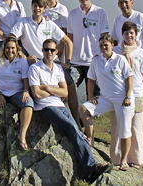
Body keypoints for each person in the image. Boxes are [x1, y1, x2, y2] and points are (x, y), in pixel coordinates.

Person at [29, 39, 113, 183]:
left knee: (76, 130)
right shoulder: (35, 68)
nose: (49, 52)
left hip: (60, 106)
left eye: (52, 50)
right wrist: (56, 90)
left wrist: (48, 88)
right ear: (42, 51)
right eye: (46, 49)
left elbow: (65, 92)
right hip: (45, 107)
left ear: (56, 52)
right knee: (72, 128)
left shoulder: (58, 69)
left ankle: (91, 168)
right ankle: (92, 168)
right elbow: (37, 94)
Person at [11, 0, 78, 126]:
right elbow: (12, 37)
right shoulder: (24, 22)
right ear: (32, 7)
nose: (37, 9)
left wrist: (68, 62)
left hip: (53, 59)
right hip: (36, 61)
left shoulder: (50, 24)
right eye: (35, 6)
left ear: (44, 9)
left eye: (40, 6)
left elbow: (68, 42)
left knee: (70, 85)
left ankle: (77, 122)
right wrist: (24, 57)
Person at [79, 34, 134, 171]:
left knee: (124, 131)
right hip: (106, 98)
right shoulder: (96, 61)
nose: (103, 48)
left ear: (112, 45)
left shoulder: (120, 59)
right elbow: (90, 79)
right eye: (101, 45)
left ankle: (124, 161)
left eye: (106, 45)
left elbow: (129, 78)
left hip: (122, 99)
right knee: (83, 109)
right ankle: (90, 137)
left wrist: (127, 96)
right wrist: (91, 96)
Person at [111, 0, 143, 155]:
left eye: (126, 2)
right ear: (118, 5)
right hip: (123, 68)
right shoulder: (117, 20)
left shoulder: (141, 17)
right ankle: (128, 144)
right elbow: (116, 43)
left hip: (139, 65)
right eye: (121, 3)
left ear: (132, 2)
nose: (124, 5)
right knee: (127, 103)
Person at [110, 22, 143, 168]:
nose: (129, 36)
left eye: (132, 33)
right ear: (122, 35)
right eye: (126, 33)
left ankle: (136, 158)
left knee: (136, 127)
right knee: (117, 126)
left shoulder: (141, 53)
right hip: (119, 94)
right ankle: (118, 158)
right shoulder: (115, 51)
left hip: (138, 92)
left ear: (136, 34)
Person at [67, 0, 109, 99]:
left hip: (94, 59)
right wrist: (68, 59)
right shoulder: (72, 14)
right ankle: (75, 116)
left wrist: (103, 56)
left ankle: (89, 116)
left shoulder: (100, 12)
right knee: (69, 90)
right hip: (76, 60)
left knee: (93, 94)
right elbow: (69, 38)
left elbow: (104, 36)